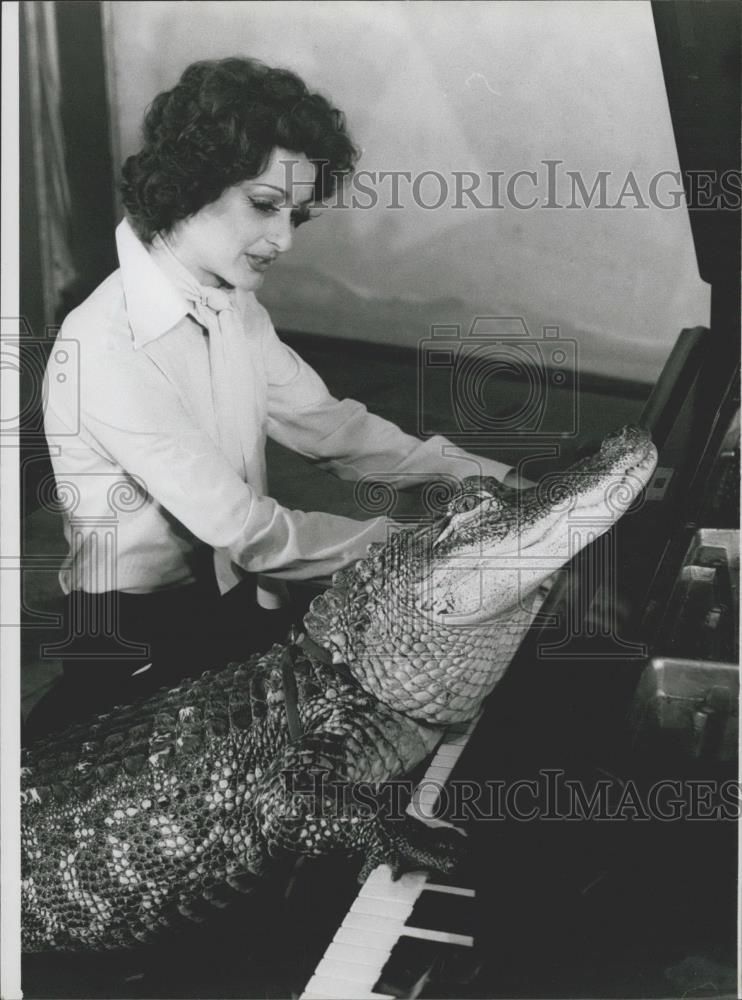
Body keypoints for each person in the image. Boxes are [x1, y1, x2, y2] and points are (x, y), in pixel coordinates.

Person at [27, 57, 522, 739]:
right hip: (127, 635)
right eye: (265, 206)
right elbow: (249, 532)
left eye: (296, 214)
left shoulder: (235, 304)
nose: (285, 239)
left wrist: (498, 483)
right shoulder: (105, 347)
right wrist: (429, 551)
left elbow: (331, 429)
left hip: (232, 599)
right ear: (188, 186)